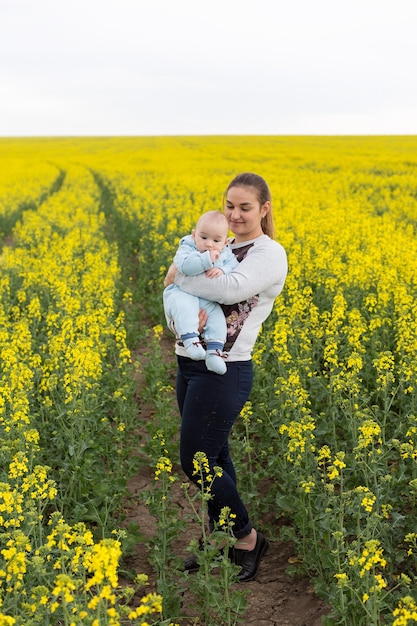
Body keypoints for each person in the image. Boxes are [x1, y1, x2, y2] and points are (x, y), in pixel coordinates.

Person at [164, 172, 288, 582]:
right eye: (230, 205)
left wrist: (179, 277)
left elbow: (228, 291)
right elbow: (175, 297)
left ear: (264, 209)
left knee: (195, 461)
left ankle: (248, 537)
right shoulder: (219, 240)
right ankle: (227, 535)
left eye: (245, 207)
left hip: (227, 370)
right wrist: (181, 303)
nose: (235, 215)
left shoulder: (268, 254)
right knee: (215, 457)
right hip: (189, 361)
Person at [163, 210, 238, 375]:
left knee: (217, 318)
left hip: (204, 298)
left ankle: (214, 352)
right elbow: (185, 267)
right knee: (186, 309)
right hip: (181, 293)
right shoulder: (187, 247)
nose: (209, 244)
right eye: (204, 238)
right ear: (194, 234)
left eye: (216, 240)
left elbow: (233, 265)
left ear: (225, 242)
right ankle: (191, 341)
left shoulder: (225, 252)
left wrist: (222, 269)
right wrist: (207, 259)